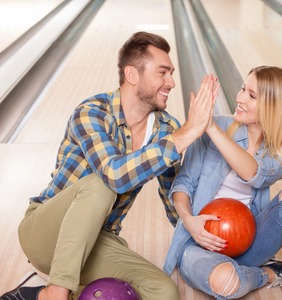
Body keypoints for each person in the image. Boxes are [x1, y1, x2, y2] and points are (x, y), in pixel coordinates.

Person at [0, 31, 219, 300]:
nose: (172, 82)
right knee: (100, 184)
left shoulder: (167, 130)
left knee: (164, 292)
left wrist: (198, 230)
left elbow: (173, 197)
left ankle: (34, 292)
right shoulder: (92, 112)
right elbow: (114, 175)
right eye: (163, 72)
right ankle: (55, 293)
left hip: (99, 241)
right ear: (132, 75)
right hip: (46, 232)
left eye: (172, 73)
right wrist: (187, 134)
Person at [163, 66, 282, 300]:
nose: (239, 98)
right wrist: (189, 220)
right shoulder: (218, 126)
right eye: (243, 89)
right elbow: (183, 184)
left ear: (274, 107)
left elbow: (252, 172)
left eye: (252, 95)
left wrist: (210, 128)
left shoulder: (279, 154)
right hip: (198, 244)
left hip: (248, 244)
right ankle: (267, 274)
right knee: (226, 283)